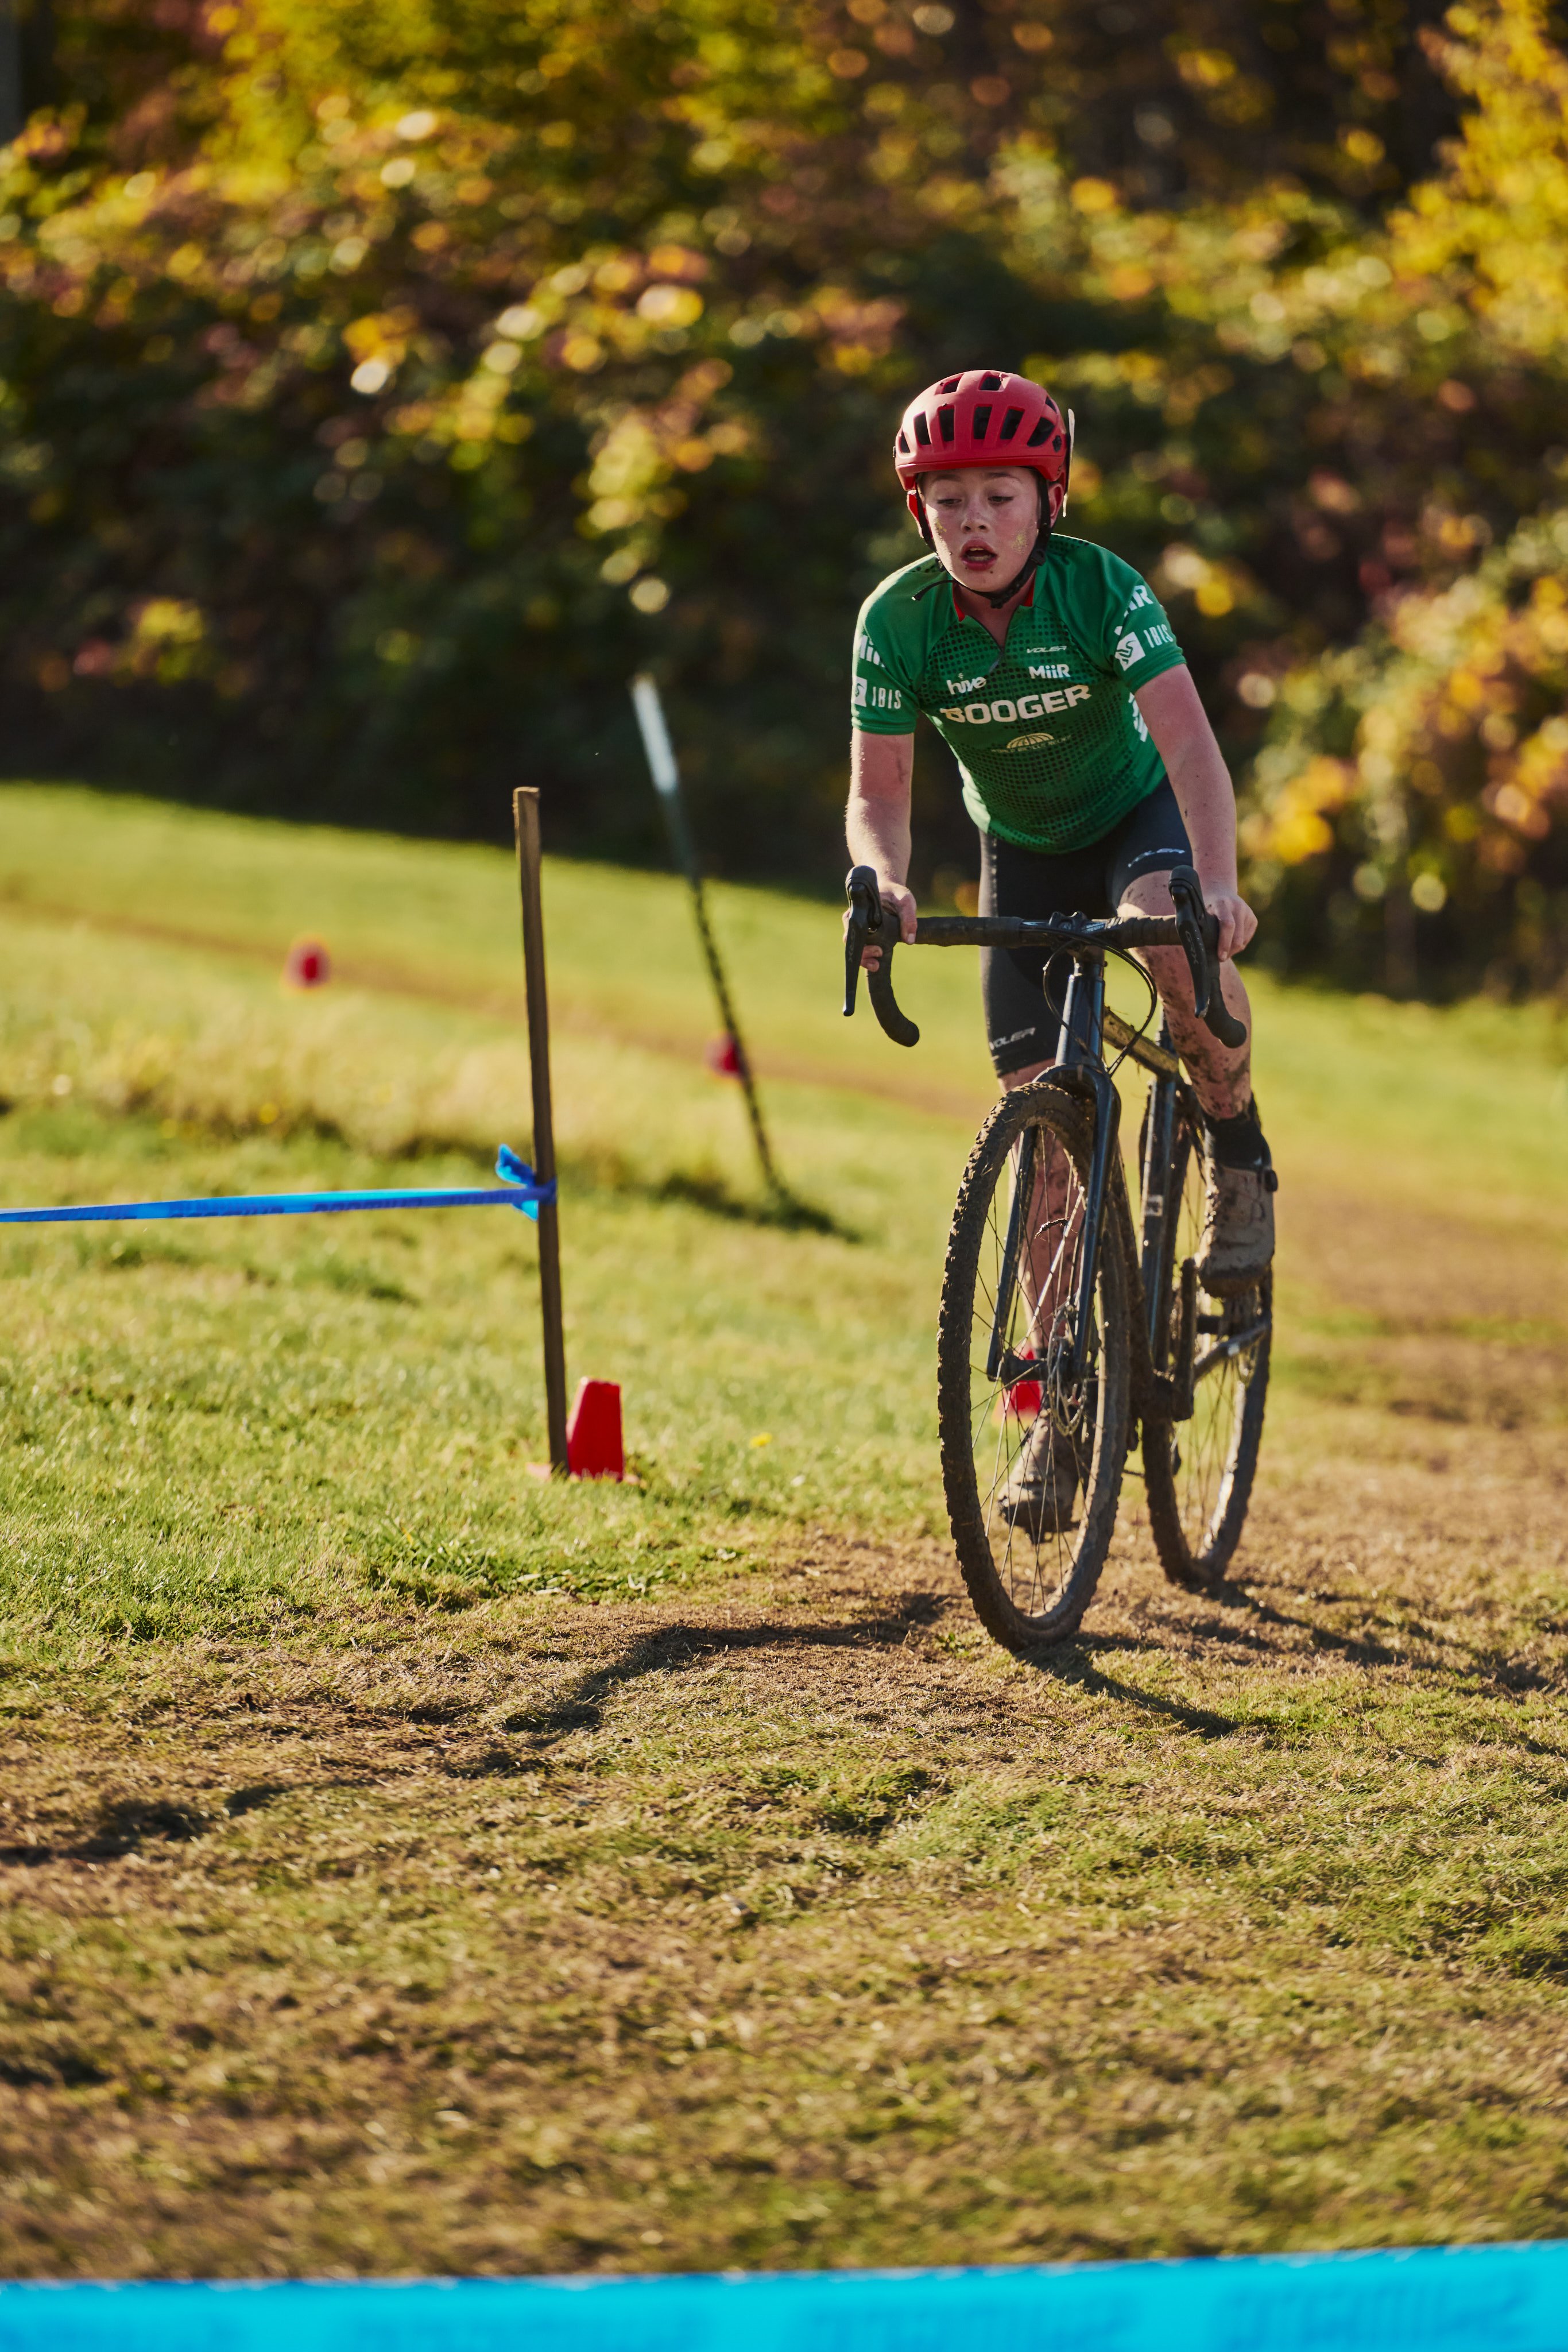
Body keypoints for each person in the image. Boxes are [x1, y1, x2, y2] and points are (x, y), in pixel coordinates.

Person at [845, 368, 1275, 1531]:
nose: (973, 522)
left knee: (1174, 948)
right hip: (1022, 850)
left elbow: (1190, 749)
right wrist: (883, 880)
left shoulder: (1101, 589)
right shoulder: (896, 621)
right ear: (918, 509)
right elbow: (880, 793)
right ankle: (1054, 1405)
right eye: (947, 500)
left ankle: (1237, 1150)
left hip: (1137, 820)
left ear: (1050, 500)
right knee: (1040, 1132)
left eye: (1000, 495)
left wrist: (1217, 885)